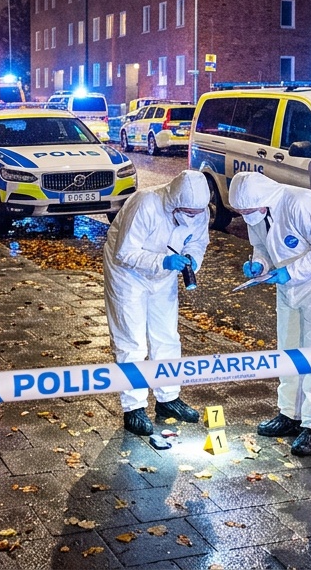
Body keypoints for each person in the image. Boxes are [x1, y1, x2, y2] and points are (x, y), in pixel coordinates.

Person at [228, 171, 311, 456]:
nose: (246, 217)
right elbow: (261, 245)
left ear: (263, 200)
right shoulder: (257, 210)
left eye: (247, 211)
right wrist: (259, 264)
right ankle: (290, 414)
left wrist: (289, 272)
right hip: (288, 286)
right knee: (289, 349)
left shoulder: (302, 203)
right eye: (241, 212)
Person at [102, 170, 211, 436]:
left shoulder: (199, 210)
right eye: (187, 212)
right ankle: (134, 408)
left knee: (166, 337)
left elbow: (198, 241)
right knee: (132, 341)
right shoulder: (146, 204)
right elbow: (125, 252)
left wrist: (193, 259)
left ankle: (168, 399)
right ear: (174, 203)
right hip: (127, 274)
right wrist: (162, 261)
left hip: (163, 275)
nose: (193, 218)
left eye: (197, 213)